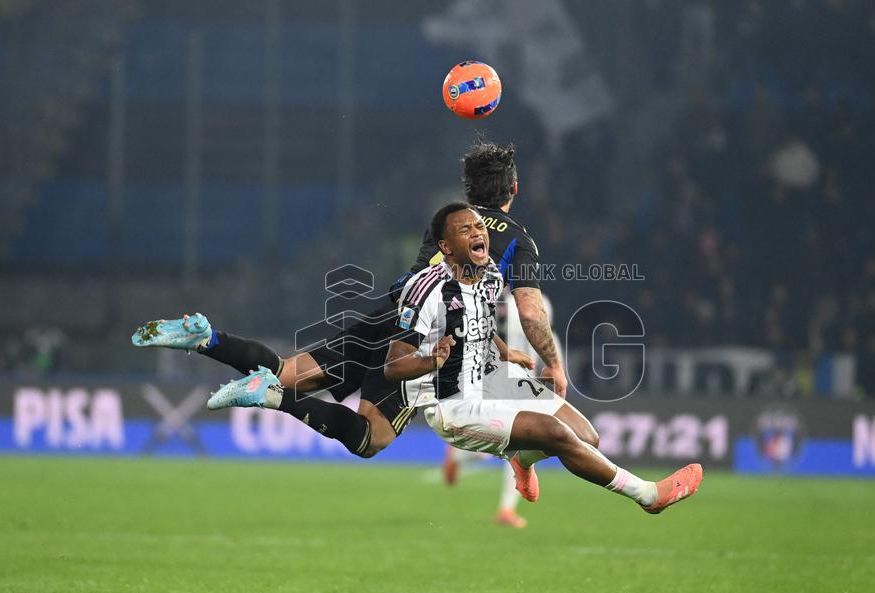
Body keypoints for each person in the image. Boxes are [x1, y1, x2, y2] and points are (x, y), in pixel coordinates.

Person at [131, 142, 563, 474]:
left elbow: (463, 300)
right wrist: (553, 363)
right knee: (371, 438)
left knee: (290, 372)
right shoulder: (519, 241)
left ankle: (206, 338)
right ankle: (272, 399)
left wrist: (501, 350)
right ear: (516, 189)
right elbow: (524, 311)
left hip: (391, 309)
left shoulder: (448, 221)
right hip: (422, 341)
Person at [385, 202, 703, 515]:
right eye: (464, 229)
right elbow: (393, 365)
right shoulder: (423, 291)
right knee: (553, 433)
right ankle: (647, 495)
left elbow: (476, 320)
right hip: (454, 403)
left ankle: (520, 460)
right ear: (446, 246)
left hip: (494, 378)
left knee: (586, 436)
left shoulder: (490, 276)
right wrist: (431, 362)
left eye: (478, 226)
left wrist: (504, 350)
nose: (477, 232)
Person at [442, 289, 562, 528]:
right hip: (500, 381)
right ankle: (505, 508)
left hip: (514, 385)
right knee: (514, 448)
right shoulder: (512, 303)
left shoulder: (501, 302)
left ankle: (460, 457)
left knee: (504, 447)